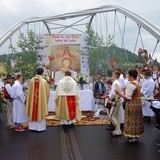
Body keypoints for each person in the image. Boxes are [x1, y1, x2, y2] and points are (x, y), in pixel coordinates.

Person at [115, 69, 144, 143]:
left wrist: (119, 93)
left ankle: (133, 137)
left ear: (131, 76)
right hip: (137, 103)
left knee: (132, 120)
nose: (127, 76)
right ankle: (135, 136)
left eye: (128, 75)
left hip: (132, 104)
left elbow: (127, 97)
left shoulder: (131, 85)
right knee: (136, 120)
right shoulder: (136, 83)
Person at [26, 67, 50, 132]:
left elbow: (29, 92)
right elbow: (47, 92)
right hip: (40, 102)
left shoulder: (31, 80)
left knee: (33, 110)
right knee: (40, 110)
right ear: (42, 73)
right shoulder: (43, 81)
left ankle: (32, 127)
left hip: (33, 102)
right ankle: (40, 128)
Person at [108, 71, 123, 136]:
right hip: (119, 99)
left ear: (114, 75)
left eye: (112, 75)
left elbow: (113, 93)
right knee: (117, 116)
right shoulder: (119, 83)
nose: (112, 76)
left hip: (116, 100)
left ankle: (118, 131)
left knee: (111, 116)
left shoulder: (115, 83)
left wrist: (109, 97)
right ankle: (118, 129)